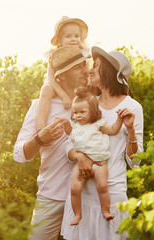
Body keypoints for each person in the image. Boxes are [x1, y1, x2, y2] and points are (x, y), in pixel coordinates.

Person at [61, 46, 144, 240]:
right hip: (82, 194)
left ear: (109, 72)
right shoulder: (89, 103)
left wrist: (130, 130)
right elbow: (69, 142)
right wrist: (79, 157)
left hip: (112, 195)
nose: (90, 70)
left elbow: (135, 161)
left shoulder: (132, 107)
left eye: (96, 66)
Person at [13, 45, 90, 240]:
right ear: (60, 76)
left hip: (88, 197)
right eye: (77, 67)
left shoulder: (95, 103)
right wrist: (40, 138)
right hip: (51, 196)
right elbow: (20, 154)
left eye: (84, 64)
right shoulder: (41, 106)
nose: (85, 70)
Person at [59, 87, 135, 226]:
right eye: (75, 112)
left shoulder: (98, 124)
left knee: (102, 186)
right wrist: (65, 124)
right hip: (81, 163)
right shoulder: (75, 125)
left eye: (82, 112)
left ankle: (105, 211)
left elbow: (113, 130)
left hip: (100, 162)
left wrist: (119, 119)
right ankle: (77, 214)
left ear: (93, 111)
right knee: (75, 188)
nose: (78, 115)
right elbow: (70, 133)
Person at [36, 16, 89, 131]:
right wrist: (63, 95)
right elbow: (51, 79)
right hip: (56, 83)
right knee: (46, 90)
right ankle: (40, 127)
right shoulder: (55, 55)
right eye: (68, 36)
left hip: (76, 83)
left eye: (76, 36)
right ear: (60, 40)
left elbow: (87, 72)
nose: (73, 39)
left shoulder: (84, 53)